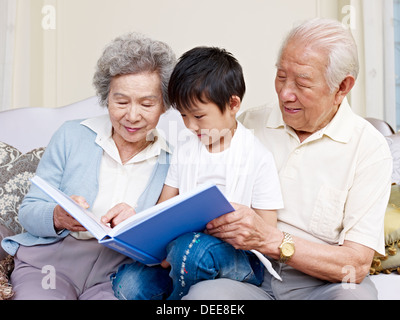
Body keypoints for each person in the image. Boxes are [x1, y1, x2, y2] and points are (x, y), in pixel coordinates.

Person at [181, 18, 393, 300]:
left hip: (321, 284)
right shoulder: (247, 124)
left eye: (302, 82)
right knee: (203, 297)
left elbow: (356, 264)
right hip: (248, 275)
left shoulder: (369, 148)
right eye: (281, 76)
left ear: (342, 87)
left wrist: (271, 239)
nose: (284, 93)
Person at [1, 32, 176, 300]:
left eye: (146, 104)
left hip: (118, 275)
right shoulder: (72, 135)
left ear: (164, 105)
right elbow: (28, 212)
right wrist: (57, 216)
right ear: (106, 97)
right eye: (120, 101)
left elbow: (168, 243)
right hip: (50, 265)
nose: (132, 115)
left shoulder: (173, 161)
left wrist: (139, 224)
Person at [111, 47, 284, 300]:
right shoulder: (186, 150)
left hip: (239, 259)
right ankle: (180, 281)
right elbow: (164, 208)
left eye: (199, 116)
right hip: (180, 252)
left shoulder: (257, 157)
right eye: (183, 115)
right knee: (128, 283)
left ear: (233, 104)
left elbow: (266, 231)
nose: (191, 126)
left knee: (191, 250)